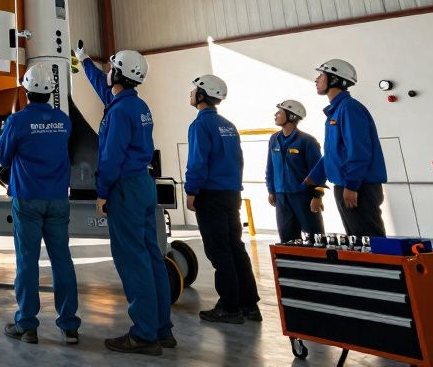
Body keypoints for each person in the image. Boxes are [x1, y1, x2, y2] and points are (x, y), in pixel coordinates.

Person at [75, 42, 174, 356]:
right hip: (143, 183)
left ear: (118, 74)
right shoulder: (135, 106)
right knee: (151, 257)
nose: (107, 72)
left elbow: (111, 157)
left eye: (111, 68)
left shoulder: (119, 112)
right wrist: (84, 60)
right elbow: (101, 87)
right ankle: (162, 329)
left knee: (133, 261)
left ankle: (144, 335)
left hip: (124, 188)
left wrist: (102, 192)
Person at [0, 61, 81, 345]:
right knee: (62, 260)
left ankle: (27, 326)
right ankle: (69, 326)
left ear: (26, 90)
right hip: (58, 199)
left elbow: (2, 157)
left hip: (28, 199)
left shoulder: (17, 121)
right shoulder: (64, 121)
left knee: (27, 261)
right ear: (52, 90)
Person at [184, 74, 260, 325]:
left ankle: (229, 307)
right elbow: (238, 160)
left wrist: (192, 190)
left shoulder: (200, 125)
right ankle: (249, 305)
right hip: (231, 193)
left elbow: (198, 160)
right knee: (236, 247)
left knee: (220, 251)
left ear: (202, 95)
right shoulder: (228, 125)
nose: (191, 93)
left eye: (194, 90)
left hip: (210, 195)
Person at [304, 59, 388, 238]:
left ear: (335, 79)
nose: (317, 79)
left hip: (359, 187)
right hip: (345, 185)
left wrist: (352, 185)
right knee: (357, 242)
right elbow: (333, 154)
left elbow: (359, 151)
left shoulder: (349, 109)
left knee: (369, 240)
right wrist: (314, 178)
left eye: (321, 75)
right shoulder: (335, 111)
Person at [264, 100, 325, 243]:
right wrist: (271, 190)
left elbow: (319, 170)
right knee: (287, 240)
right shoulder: (274, 139)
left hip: (304, 197)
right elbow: (270, 167)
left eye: (280, 112)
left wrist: (317, 196)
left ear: (292, 116)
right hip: (282, 197)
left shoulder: (307, 141)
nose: (275, 114)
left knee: (315, 239)